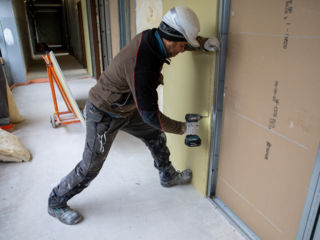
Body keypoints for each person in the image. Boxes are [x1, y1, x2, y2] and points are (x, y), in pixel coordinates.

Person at [48, 6, 220, 225]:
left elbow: (178, 40)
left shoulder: (156, 37)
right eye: (182, 45)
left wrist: (202, 43)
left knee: (154, 134)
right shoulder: (143, 65)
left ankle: (167, 175)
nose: (182, 50)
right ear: (171, 39)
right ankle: (56, 202)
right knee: (91, 165)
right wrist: (183, 128)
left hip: (127, 108)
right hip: (103, 112)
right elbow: (150, 115)